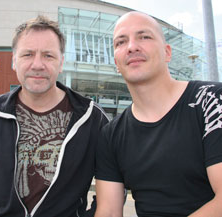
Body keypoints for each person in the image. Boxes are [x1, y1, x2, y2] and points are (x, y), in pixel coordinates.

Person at [0, 15, 109, 217]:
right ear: (14, 61)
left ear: (61, 62)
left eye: (48, 55)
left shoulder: (93, 118)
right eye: (28, 54)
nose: (37, 64)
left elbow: (110, 193)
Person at [95, 11, 222, 217]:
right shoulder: (111, 135)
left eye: (144, 37)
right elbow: (108, 211)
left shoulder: (212, 101)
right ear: (116, 64)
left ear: (167, 52)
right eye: (121, 42)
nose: (132, 47)